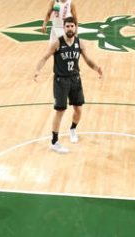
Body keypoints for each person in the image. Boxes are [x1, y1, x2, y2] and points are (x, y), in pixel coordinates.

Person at [34, 17, 103, 154]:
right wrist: (37, 70)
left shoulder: (79, 43)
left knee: (78, 109)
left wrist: (97, 68)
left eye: (72, 26)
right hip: (61, 81)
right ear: (64, 28)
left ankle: (72, 129)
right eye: (67, 26)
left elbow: (88, 60)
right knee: (60, 111)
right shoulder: (57, 43)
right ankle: (54, 142)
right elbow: (44, 57)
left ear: (76, 27)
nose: (70, 28)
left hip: (75, 79)